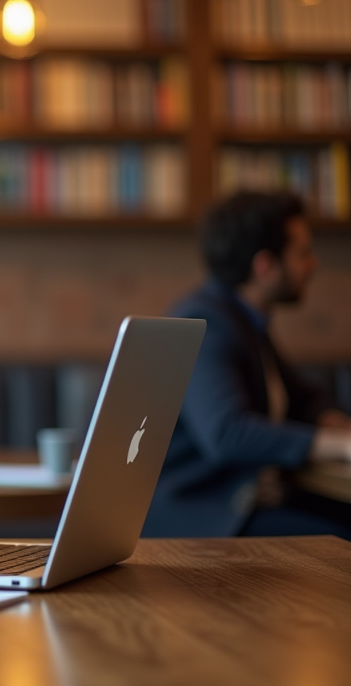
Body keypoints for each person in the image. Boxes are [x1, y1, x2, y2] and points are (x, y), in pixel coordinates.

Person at [144, 191, 351, 539]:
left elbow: (303, 396)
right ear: (265, 267)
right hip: (203, 517)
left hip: (248, 502)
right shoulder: (206, 322)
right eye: (303, 254)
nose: (313, 264)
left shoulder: (246, 321)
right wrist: (340, 445)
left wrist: (329, 419)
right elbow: (226, 433)